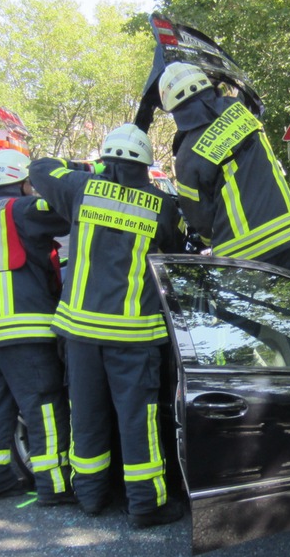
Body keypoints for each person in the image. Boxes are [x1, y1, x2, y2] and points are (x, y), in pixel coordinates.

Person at [29, 124, 185, 525]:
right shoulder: (161, 205)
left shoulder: (81, 188)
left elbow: (39, 168)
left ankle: (92, 497)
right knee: (138, 420)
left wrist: (79, 165)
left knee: (86, 415)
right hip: (134, 336)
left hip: (81, 333)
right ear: (147, 166)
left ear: (105, 159)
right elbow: (179, 250)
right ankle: (145, 505)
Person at [0, 150, 75, 505]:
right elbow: (69, 211)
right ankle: (55, 486)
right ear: (22, 181)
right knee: (44, 403)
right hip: (27, 329)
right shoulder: (22, 210)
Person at [158, 62, 290, 274]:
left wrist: (207, 240)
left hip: (243, 257)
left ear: (173, 107)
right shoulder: (240, 111)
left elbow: (200, 218)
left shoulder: (187, 156)